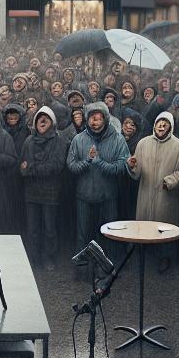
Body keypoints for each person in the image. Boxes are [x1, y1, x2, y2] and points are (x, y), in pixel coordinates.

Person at [67, 102, 130, 272]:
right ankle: (81, 271)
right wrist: (87, 162)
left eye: (99, 118)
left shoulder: (118, 139)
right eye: (91, 119)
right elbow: (71, 166)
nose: (95, 122)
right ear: (87, 120)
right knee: (83, 235)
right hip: (84, 196)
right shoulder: (78, 139)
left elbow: (122, 167)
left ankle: (108, 271)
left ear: (106, 118)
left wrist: (100, 163)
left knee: (109, 235)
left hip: (108, 196)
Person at [20, 106, 67, 267]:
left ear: (52, 122)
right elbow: (22, 167)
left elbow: (56, 166)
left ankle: (49, 258)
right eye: (40, 118)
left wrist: (31, 168)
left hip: (50, 192)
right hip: (31, 192)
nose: (42, 120)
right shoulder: (28, 141)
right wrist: (29, 169)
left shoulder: (59, 140)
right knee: (32, 229)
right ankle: (34, 258)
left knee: (49, 229)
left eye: (46, 118)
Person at [126, 110, 179, 227]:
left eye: (165, 124)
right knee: (144, 231)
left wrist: (170, 181)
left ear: (171, 127)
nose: (161, 126)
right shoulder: (143, 143)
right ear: (154, 124)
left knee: (163, 231)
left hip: (166, 197)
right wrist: (132, 166)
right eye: (159, 123)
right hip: (145, 195)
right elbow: (137, 172)